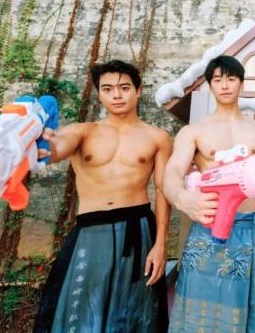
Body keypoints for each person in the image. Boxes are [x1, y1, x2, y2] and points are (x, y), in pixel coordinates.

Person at [33, 60, 171, 333]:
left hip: (138, 229)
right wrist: (41, 145)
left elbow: (163, 190)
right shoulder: (82, 131)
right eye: (107, 89)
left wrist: (161, 245)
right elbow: (55, 149)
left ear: (138, 90)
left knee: (134, 316)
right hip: (90, 230)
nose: (116, 95)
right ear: (99, 94)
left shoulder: (157, 137)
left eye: (124, 88)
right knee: (78, 311)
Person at [163, 55, 255, 332]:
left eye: (231, 79)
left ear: (241, 84)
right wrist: (183, 199)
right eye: (218, 79)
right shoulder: (193, 132)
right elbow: (171, 172)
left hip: (253, 233)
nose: (224, 85)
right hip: (209, 232)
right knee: (205, 317)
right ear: (210, 85)